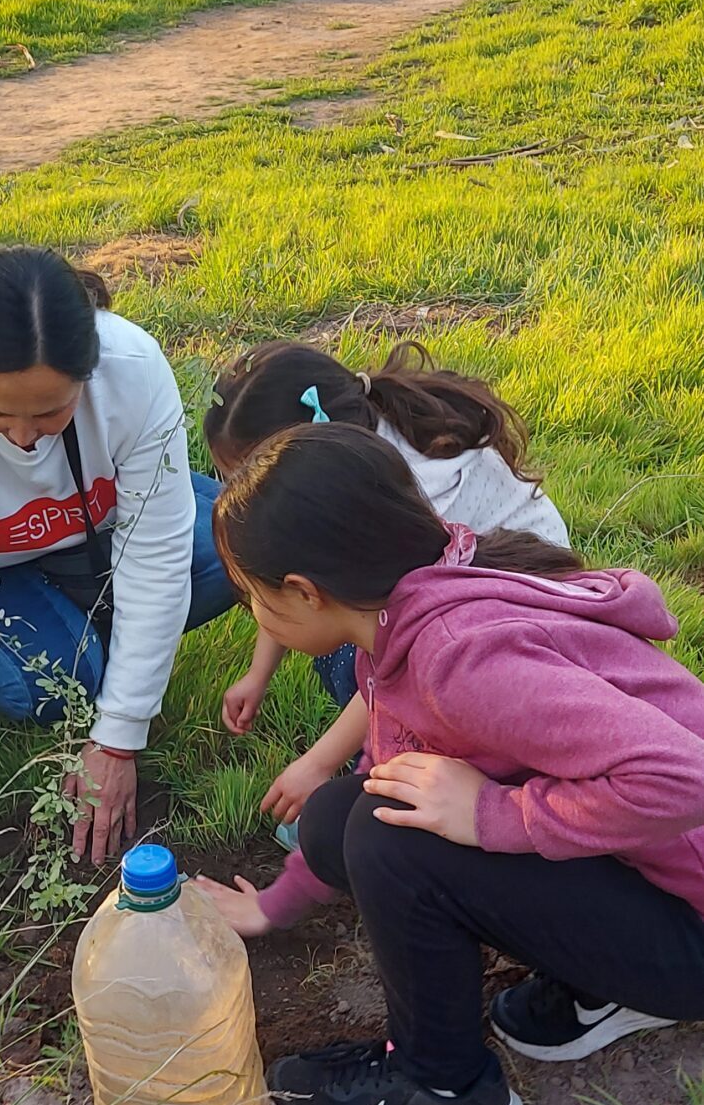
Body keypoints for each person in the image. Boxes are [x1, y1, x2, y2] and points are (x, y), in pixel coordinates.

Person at [200, 424, 704, 1105]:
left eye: (253, 597)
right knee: (352, 811)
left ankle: (443, 1089)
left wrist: (492, 814)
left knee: (388, 832)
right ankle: (608, 987)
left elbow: (683, 779)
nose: (255, 614)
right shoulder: (413, 609)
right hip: (660, 881)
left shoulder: (458, 659)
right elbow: (381, 777)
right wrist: (271, 907)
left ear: (305, 594)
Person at [0, 245, 233, 927]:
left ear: (88, 373)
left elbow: (156, 554)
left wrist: (118, 737)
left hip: (91, 539)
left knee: (239, 554)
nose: (25, 439)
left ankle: (93, 648)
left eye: (52, 414)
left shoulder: (134, 370)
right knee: (48, 683)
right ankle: (33, 651)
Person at [204, 339, 568, 845]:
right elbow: (279, 564)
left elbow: (398, 652)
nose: (236, 488)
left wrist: (317, 764)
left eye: (246, 472)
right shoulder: (353, 458)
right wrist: (257, 674)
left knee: (348, 652)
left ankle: (398, 780)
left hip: (521, 630)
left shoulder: (401, 498)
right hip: (453, 610)